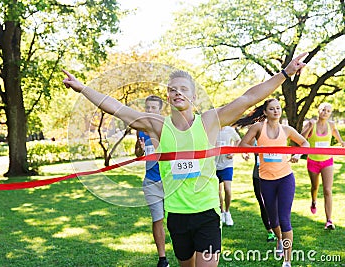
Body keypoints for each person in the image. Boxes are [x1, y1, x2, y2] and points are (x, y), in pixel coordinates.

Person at [62, 52, 307, 267]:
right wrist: (83, 88)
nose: (177, 92)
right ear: (168, 96)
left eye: (183, 89)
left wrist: (285, 73)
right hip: (177, 215)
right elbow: (117, 108)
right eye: (172, 89)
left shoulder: (209, 121)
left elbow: (249, 97)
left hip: (207, 213)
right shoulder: (157, 125)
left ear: (193, 96)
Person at [239, 98, 309, 267]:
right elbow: (243, 144)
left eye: (278, 108)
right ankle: (279, 238)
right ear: (265, 112)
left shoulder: (287, 129)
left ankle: (287, 260)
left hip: (285, 178)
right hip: (266, 180)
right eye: (272, 109)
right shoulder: (258, 128)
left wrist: (297, 154)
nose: (276, 111)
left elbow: (305, 143)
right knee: (273, 220)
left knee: (285, 219)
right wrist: (256, 150)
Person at [134, 95, 169, 267]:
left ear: (160, 110)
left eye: (153, 108)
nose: (149, 110)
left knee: (178, 219)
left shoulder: (168, 127)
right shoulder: (140, 129)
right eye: (147, 107)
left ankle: (183, 252)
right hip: (151, 181)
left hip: (170, 181)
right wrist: (140, 149)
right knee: (157, 219)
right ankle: (162, 258)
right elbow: (138, 154)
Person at [301, 102, 345, 230]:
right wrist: (308, 127)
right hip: (313, 162)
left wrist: (342, 143)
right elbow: (301, 139)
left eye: (328, 111)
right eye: (323, 110)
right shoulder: (311, 124)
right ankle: (314, 201)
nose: (325, 113)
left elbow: (340, 140)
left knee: (327, 190)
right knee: (315, 187)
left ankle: (329, 220)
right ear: (318, 111)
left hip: (327, 161)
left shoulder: (331, 125)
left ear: (330, 113)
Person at [215, 126, 241, 226]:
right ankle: (221, 212)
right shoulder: (212, 129)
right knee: (218, 191)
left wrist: (233, 152)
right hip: (214, 165)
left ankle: (227, 212)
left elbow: (238, 140)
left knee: (227, 189)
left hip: (227, 164)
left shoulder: (230, 130)